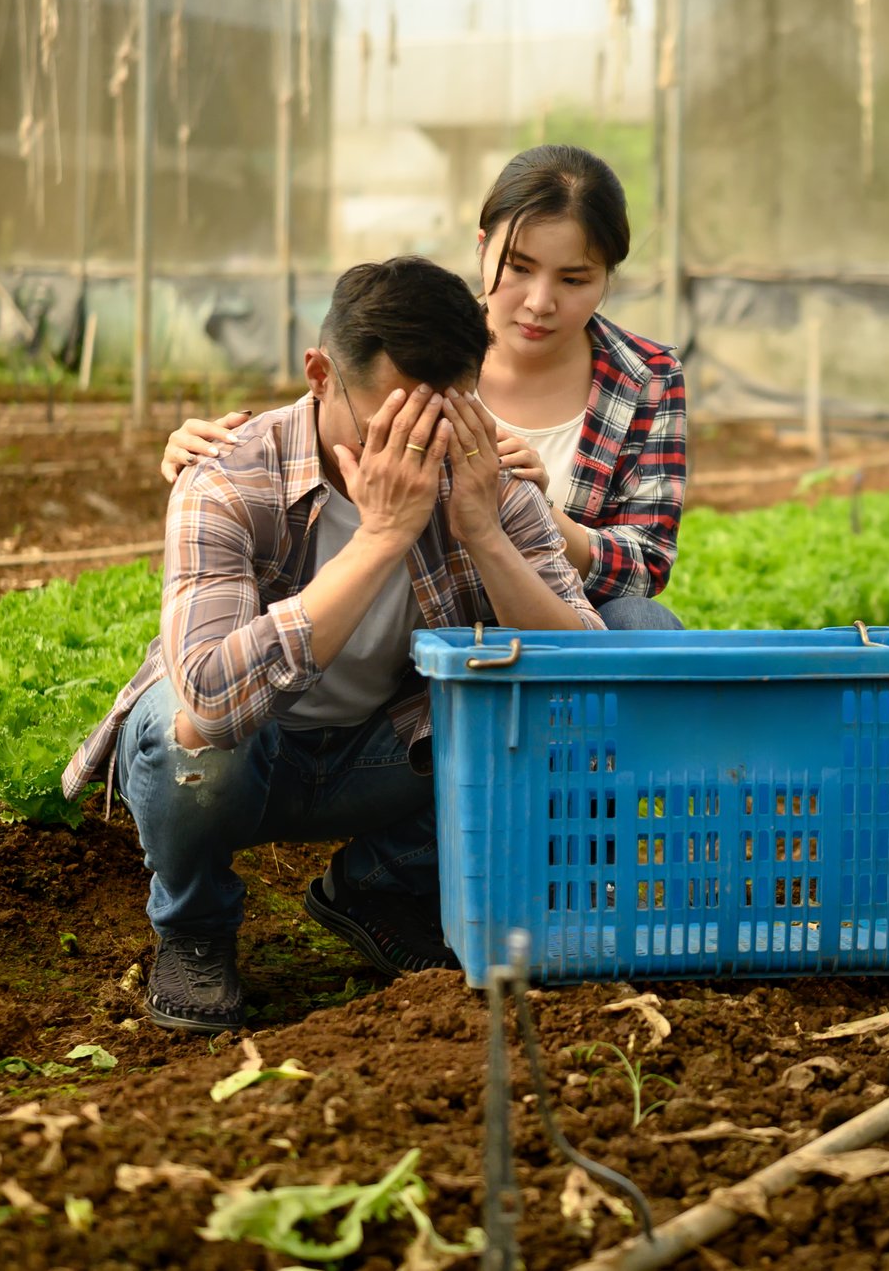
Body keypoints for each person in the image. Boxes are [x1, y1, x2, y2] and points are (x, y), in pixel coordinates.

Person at [63, 257, 603, 1033]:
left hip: (381, 758)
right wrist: (379, 539)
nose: (414, 444)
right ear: (320, 375)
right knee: (180, 735)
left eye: (441, 416)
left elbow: (590, 672)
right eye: (388, 417)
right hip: (247, 756)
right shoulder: (226, 479)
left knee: (547, 726)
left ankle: (376, 887)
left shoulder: (485, 476)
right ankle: (194, 933)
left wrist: (485, 533)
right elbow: (209, 701)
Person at [164, 144, 687, 628]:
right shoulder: (435, 342)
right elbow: (341, 411)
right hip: (419, 607)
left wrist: (525, 512)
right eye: (518, 268)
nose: (540, 302)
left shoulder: (647, 377)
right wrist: (222, 454)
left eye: (574, 280)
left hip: (551, 611)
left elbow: (645, 564)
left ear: (607, 277)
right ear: (482, 248)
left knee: (644, 623)